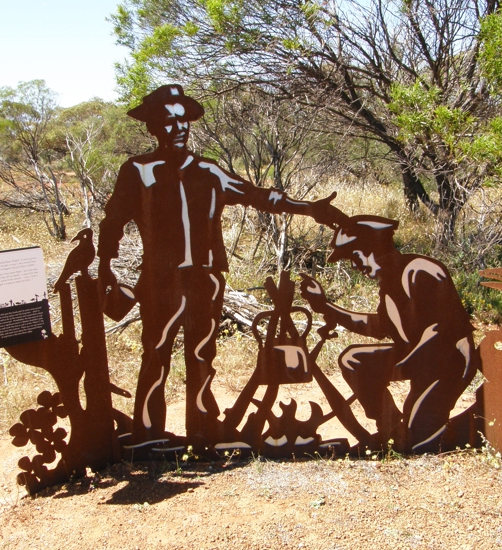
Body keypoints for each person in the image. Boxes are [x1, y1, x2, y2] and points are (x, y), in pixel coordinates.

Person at [97, 85, 343, 449]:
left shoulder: (208, 171)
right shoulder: (137, 171)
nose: (179, 127)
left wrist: (308, 208)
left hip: (205, 278)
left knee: (201, 356)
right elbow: (112, 222)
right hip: (159, 279)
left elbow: (259, 196)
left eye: (184, 120)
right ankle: (148, 433)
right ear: (153, 127)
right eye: (169, 120)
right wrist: (105, 268)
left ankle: (202, 429)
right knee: (156, 351)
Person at [299, 215, 479, 453]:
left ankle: (470, 423)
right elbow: (379, 326)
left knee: (419, 443)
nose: (354, 265)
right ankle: (391, 428)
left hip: (447, 364)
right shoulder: (390, 283)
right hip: (419, 360)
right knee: (354, 359)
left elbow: (440, 332)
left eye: (355, 255)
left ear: (373, 246)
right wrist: (325, 306)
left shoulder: (419, 271)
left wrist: (402, 365)